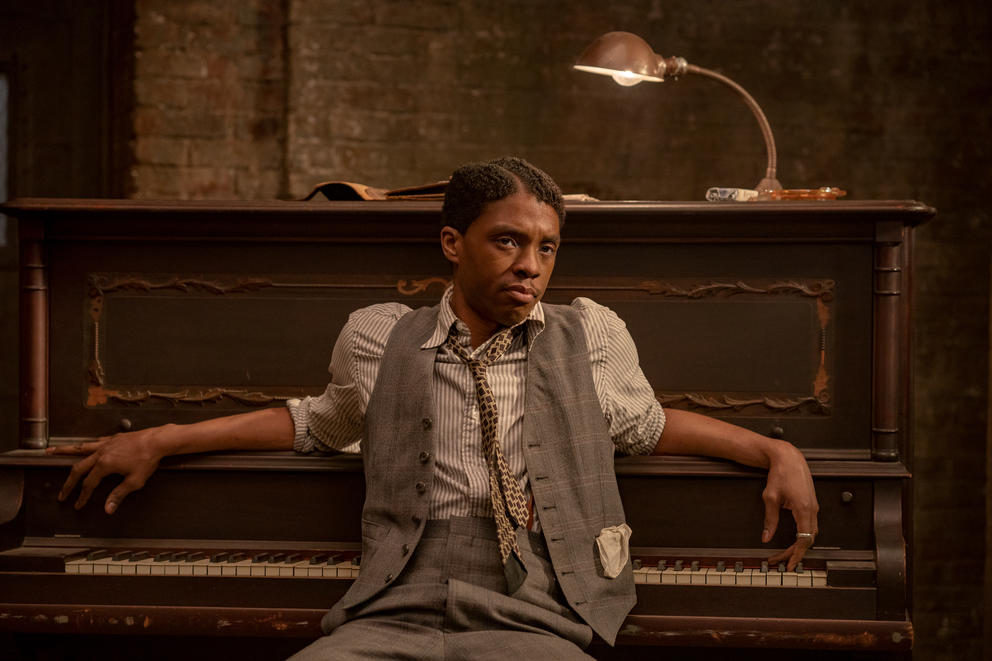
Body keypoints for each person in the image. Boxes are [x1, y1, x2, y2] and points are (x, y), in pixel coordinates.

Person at [50, 156, 818, 660]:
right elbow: (317, 421)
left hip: (536, 612)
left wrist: (774, 450)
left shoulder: (592, 335)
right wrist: (164, 437)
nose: (530, 266)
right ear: (453, 242)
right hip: (397, 604)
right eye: (509, 242)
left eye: (547, 248)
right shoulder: (380, 336)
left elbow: (650, 426)